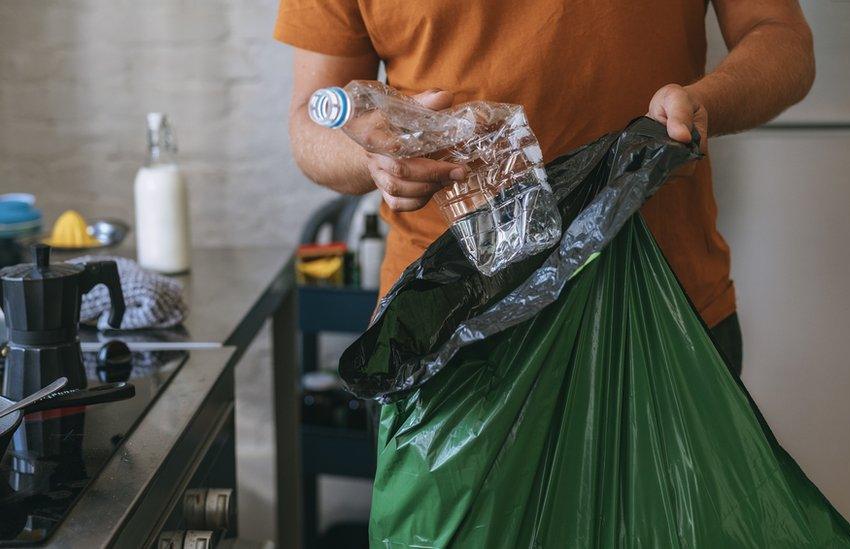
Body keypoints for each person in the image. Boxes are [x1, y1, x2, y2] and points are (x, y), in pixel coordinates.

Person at [274, 0, 815, 377]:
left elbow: (782, 37)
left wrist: (707, 102)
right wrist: (371, 157)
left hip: (661, 312)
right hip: (451, 333)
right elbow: (310, 125)